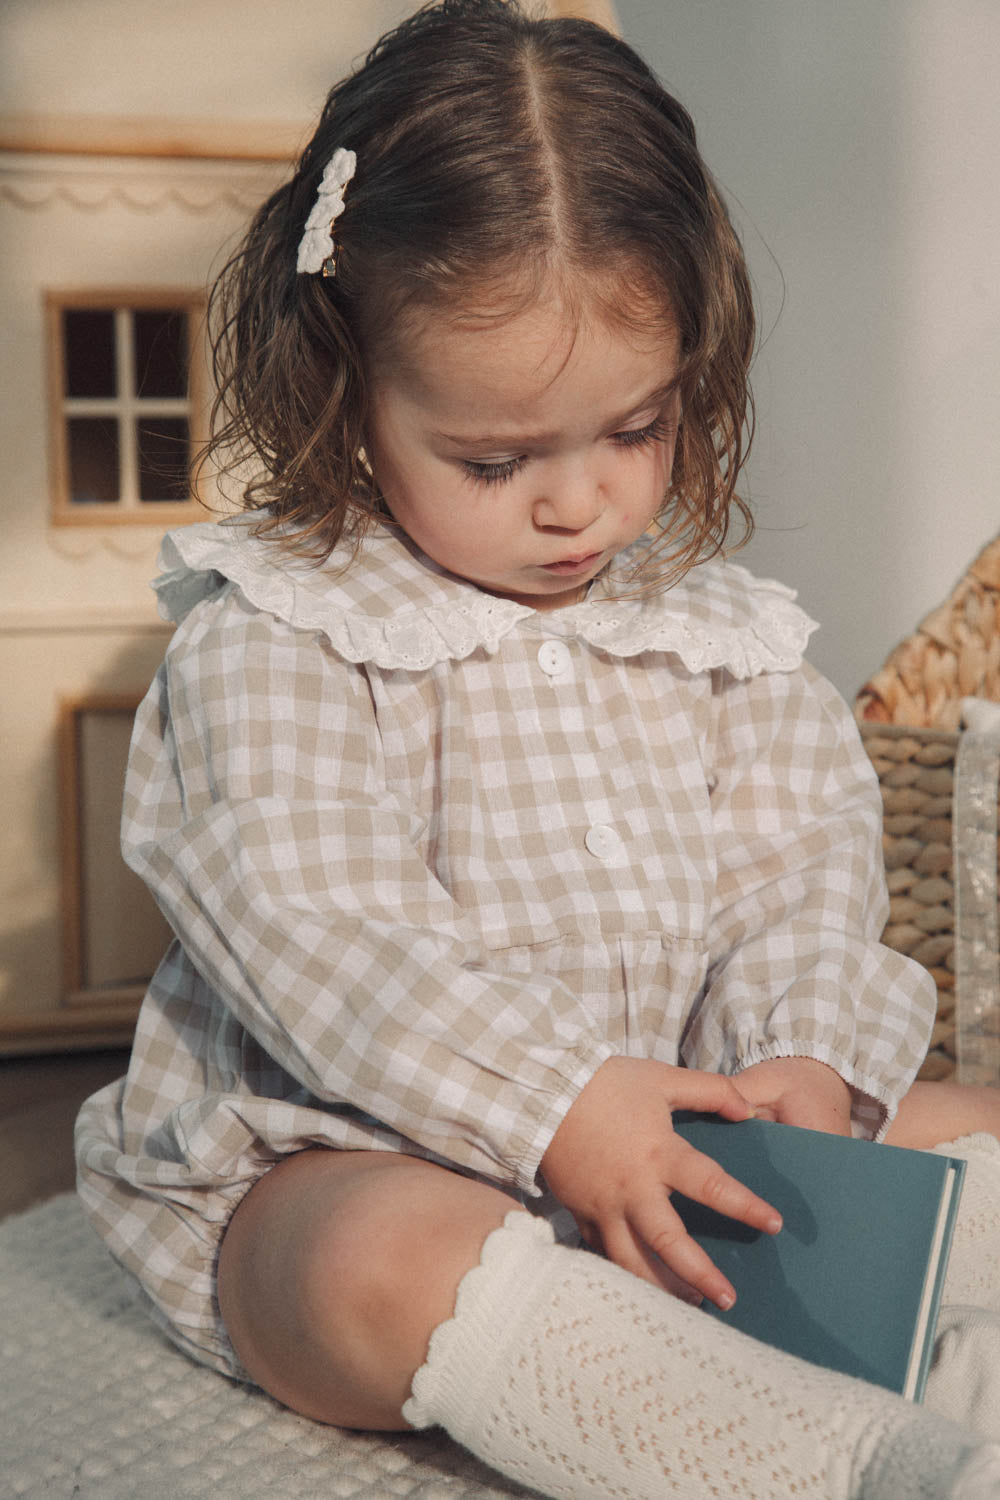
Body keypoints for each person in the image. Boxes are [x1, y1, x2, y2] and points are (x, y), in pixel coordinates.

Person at [76, 2, 1000, 1494]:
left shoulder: (721, 639)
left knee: (955, 1122)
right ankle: (832, 1460)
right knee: (373, 1261)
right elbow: (332, 936)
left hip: (686, 1144)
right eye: (497, 462)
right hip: (365, 1152)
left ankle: (955, 1368)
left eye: (634, 430)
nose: (579, 507)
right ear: (350, 388)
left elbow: (801, 877)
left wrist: (801, 1066)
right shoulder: (279, 638)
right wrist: (557, 1105)